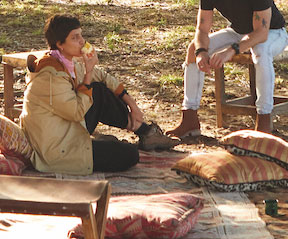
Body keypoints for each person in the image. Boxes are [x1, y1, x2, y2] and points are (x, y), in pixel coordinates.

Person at [20, 14, 177, 174]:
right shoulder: (50, 78)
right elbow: (76, 112)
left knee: (99, 90)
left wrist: (132, 104)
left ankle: (143, 131)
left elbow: (102, 77)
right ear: (60, 44)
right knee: (129, 154)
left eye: (81, 35)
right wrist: (88, 74)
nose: (82, 42)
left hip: (68, 129)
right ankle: (107, 143)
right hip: (58, 148)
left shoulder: (66, 63)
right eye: (75, 38)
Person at [166, 0, 288, 139]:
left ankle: (264, 120)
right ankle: (190, 118)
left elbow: (261, 33)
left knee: (260, 51)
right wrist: (201, 53)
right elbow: (202, 29)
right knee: (192, 49)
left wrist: (231, 50)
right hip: (238, 32)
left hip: (273, 33)